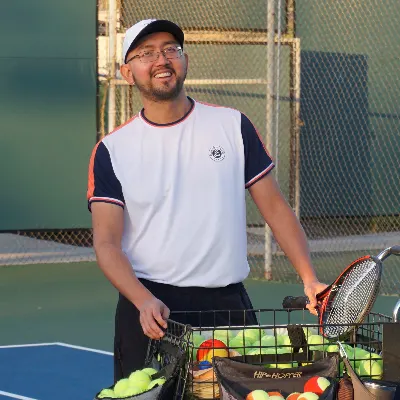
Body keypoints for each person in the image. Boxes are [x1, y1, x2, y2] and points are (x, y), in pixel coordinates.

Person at [87, 19, 327, 381]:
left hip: (228, 306)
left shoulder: (232, 125)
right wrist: (141, 299)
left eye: (170, 49)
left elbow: (275, 208)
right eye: (146, 54)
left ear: (185, 59)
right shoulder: (112, 150)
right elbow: (106, 243)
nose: (161, 60)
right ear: (126, 72)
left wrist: (309, 278)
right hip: (153, 308)